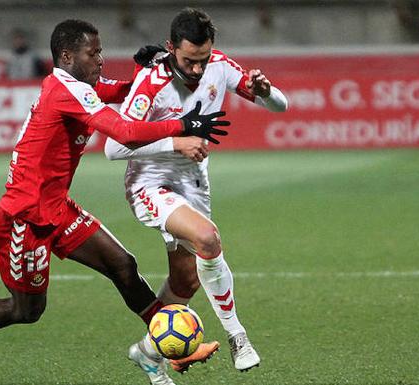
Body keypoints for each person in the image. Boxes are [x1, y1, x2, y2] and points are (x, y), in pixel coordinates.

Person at [0, 19, 229, 369]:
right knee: (27, 310)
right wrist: (182, 124)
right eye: (93, 52)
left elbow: (122, 92)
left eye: (100, 51)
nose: (100, 59)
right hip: (24, 218)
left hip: (55, 208)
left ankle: (174, 346)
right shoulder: (65, 91)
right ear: (68, 55)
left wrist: (147, 71)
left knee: (123, 266)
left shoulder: (77, 85)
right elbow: (126, 132)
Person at [104, 8, 288, 385]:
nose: (197, 70)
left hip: (193, 183)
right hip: (150, 183)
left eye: (203, 60)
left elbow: (279, 106)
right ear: (171, 48)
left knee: (185, 283)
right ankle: (238, 336)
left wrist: (268, 92)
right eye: (189, 61)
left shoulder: (219, 66)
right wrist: (176, 142)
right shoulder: (150, 83)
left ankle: (148, 354)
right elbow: (113, 148)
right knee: (208, 238)